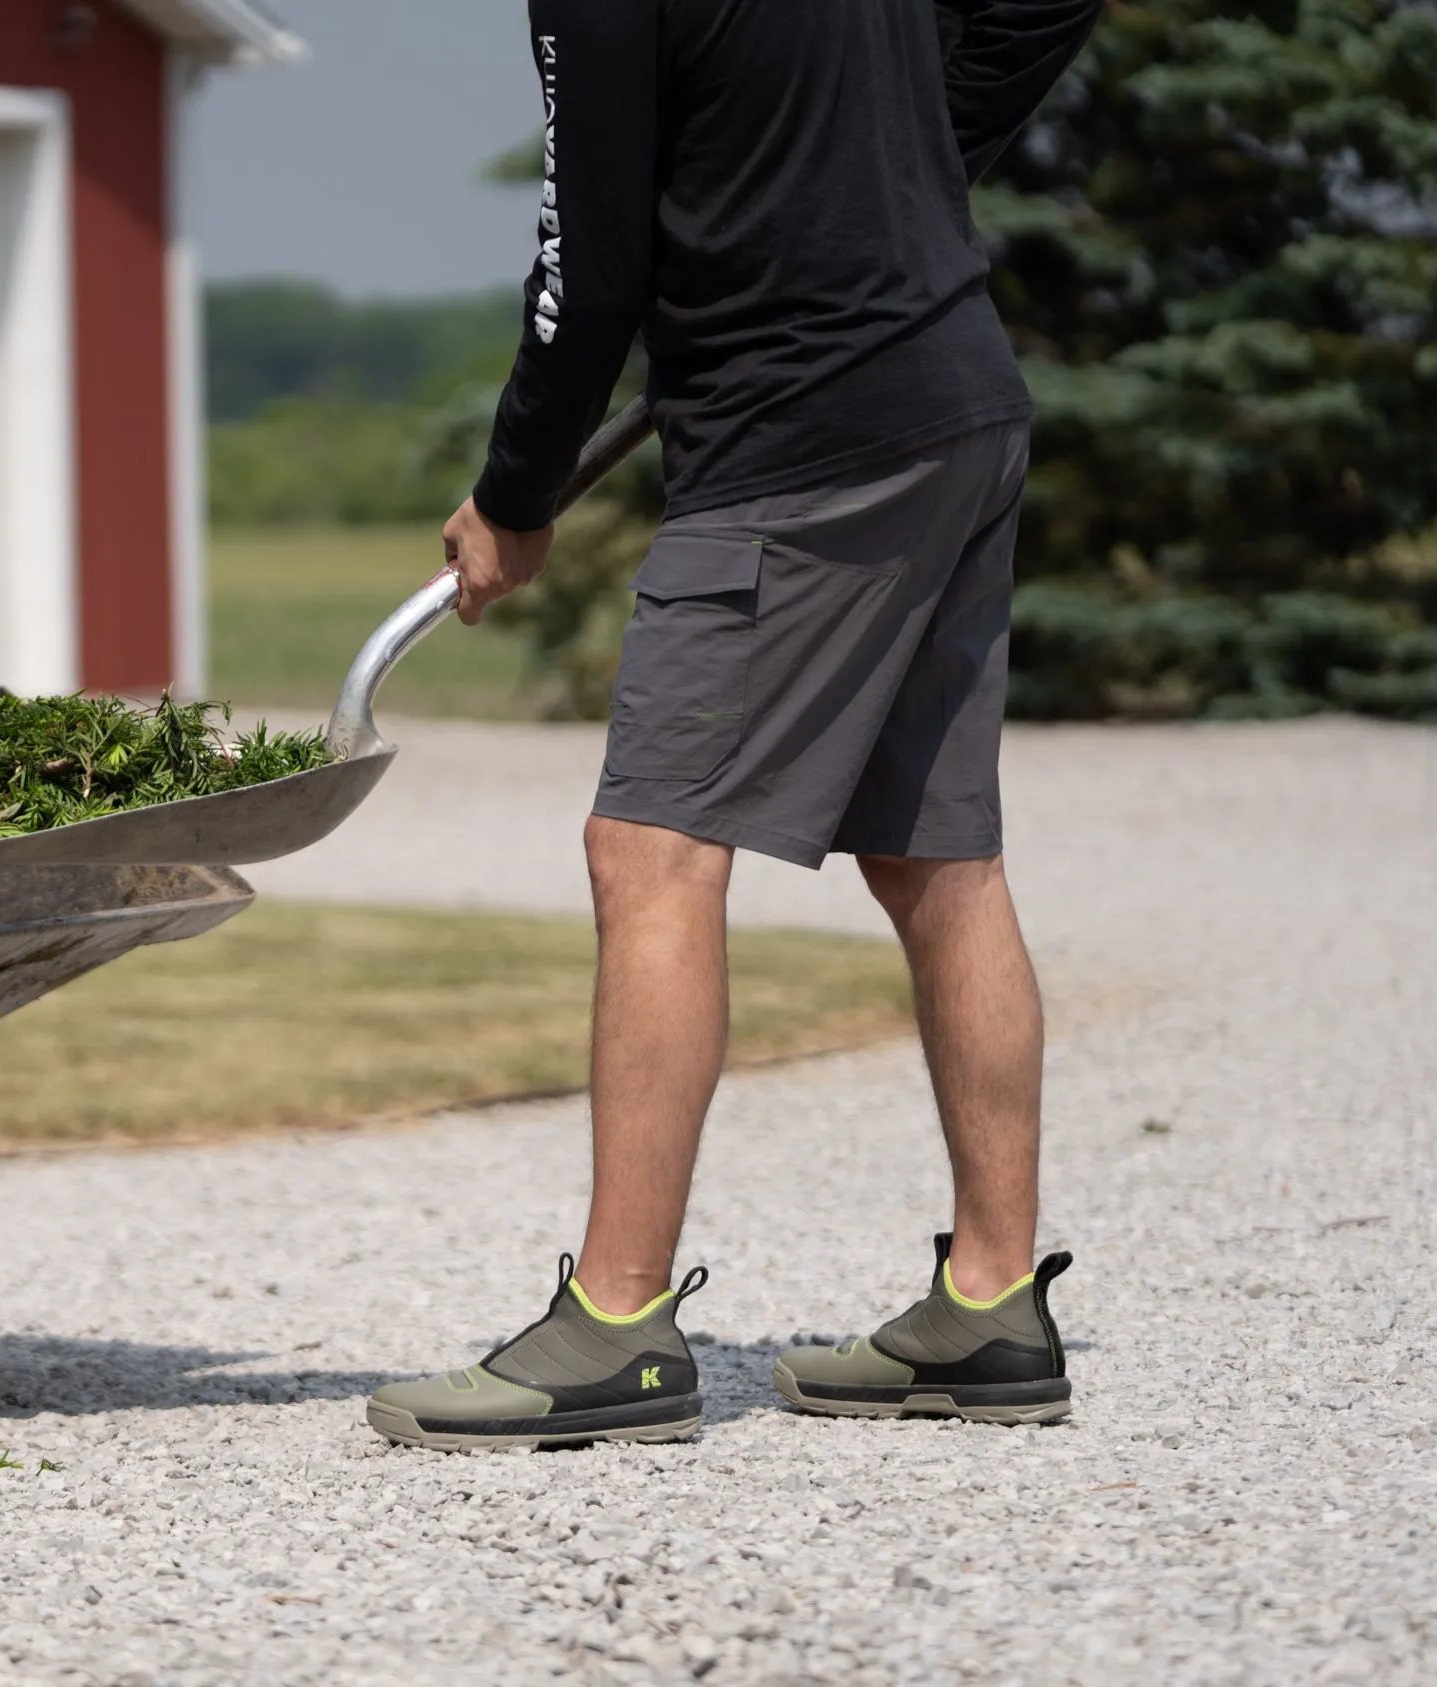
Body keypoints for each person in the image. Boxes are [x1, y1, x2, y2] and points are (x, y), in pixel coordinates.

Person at [365, 0, 1107, 1452]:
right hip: (956, 400)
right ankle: (992, 1302)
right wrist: (894, 183)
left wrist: (517, 497)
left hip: (803, 440)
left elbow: (588, 274)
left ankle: (619, 1326)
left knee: (650, 848)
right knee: (935, 851)